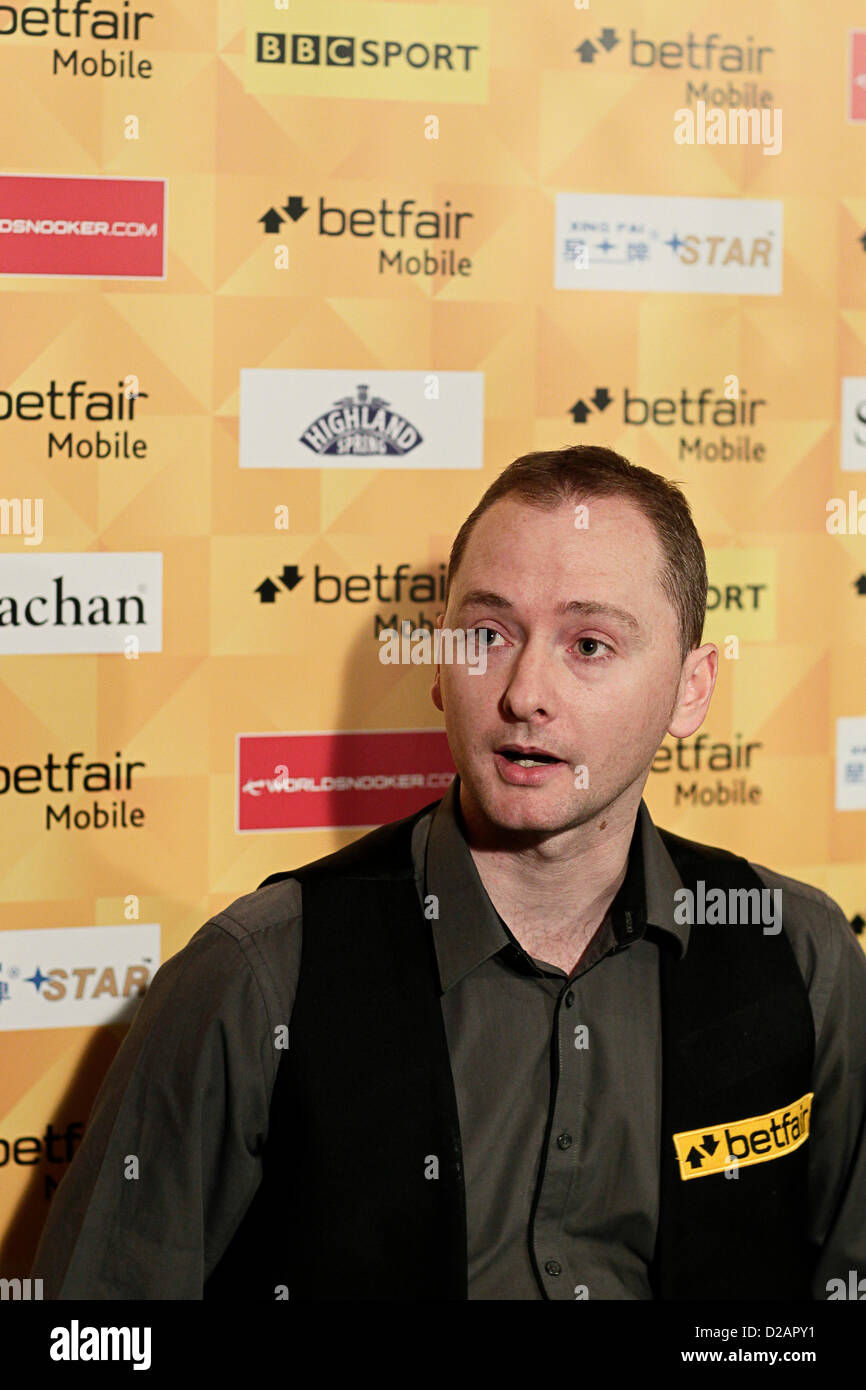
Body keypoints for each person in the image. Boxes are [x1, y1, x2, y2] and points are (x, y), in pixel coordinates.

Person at [32, 445, 866, 1300]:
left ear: (692, 692)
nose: (524, 692)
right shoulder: (257, 977)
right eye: (489, 635)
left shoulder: (800, 956)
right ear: (437, 665)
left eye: (589, 643)